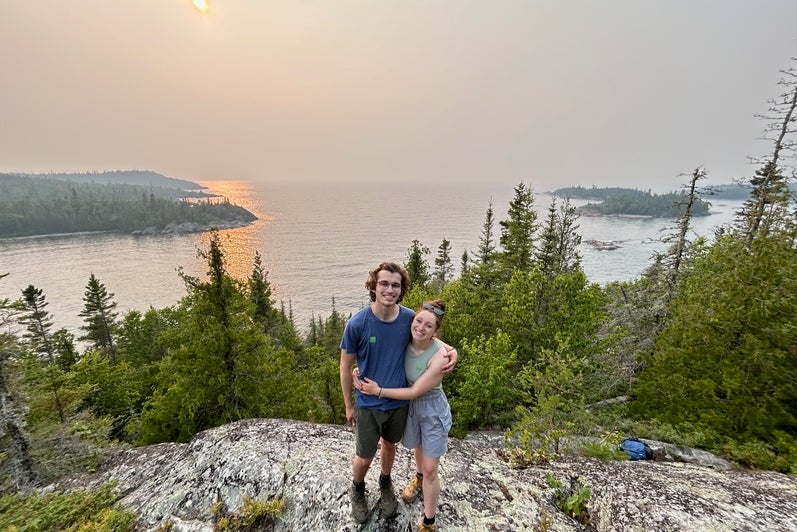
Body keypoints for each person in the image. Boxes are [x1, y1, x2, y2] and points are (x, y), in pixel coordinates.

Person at [340, 262, 456, 524]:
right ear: (374, 286)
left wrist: (452, 352)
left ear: (401, 289)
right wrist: (348, 405)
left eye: (395, 285)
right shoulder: (357, 323)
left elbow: (429, 336)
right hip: (368, 402)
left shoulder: (407, 318)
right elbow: (345, 365)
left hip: (398, 404)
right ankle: (357, 488)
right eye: (384, 283)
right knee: (364, 456)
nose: (389, 289)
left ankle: (385, 482)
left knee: (390, 446)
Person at [354, 299, 452, 532]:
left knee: (431, 468)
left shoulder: (440, 356)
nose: (421, 327)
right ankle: (418, 479)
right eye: (418, 321)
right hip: (409, 408)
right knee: (418, 448)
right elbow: (378, 349)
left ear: (435, 332)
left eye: (429, 326)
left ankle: (429, 522)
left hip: (430, 408)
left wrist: (377, 390)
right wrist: (358, 369)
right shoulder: (407, 338)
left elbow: (415, 391)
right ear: (412, 321)